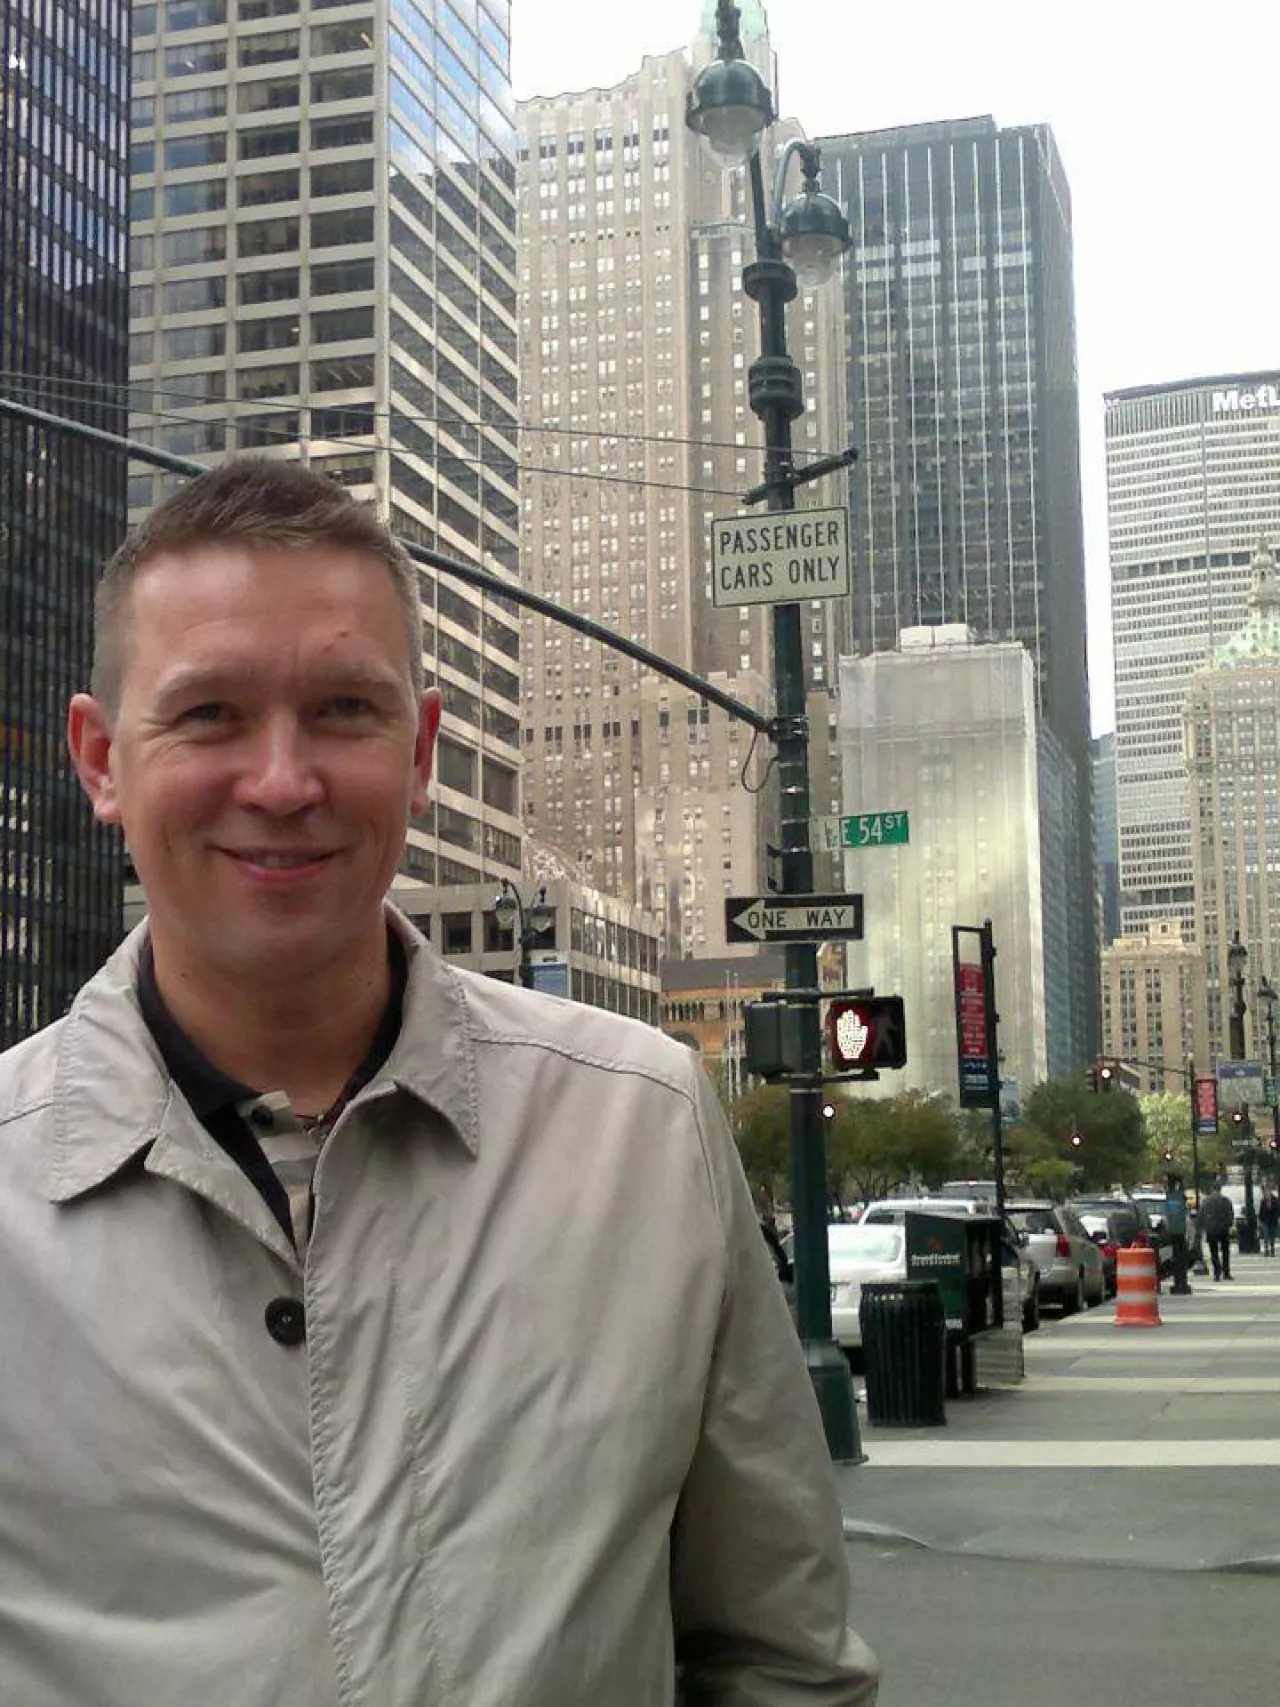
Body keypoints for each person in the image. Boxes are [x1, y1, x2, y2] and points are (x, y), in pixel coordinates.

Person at [0, 460, 878, 1707]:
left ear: (419, 752)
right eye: (209, 715)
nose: (282, 781)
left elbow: (778, 1658)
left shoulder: (640, 1130)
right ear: (101, 760)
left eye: (343, 710)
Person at [1200, 1181, 1236, 1280]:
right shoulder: (1225, 1200)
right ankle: (1226, 1272)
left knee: (1214, 1251)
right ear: (1220, 1189)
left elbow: (1202, 1215)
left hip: (1211, 1229)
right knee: (1225, 1251)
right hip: (1223, 1228)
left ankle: (1217, 1271)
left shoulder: (1206, 1201)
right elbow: (1230, 1214)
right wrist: (1229, 1225)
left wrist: (1204, 1226)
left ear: (1212, 1189)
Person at [1259, 1186, 1279, 1257]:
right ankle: (1266, 1251)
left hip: (1273, 1221)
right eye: (1265, 1192)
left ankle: (1272, 1251)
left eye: (1267, 1192)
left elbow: (1277, 1210)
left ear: (1270, 1192)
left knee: (1272, 1237)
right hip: (1265, 1221)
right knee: (1266, 1237)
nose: (1266, 1193)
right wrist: (1261, 1220)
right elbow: (1261, 1211)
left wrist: (1276, 1217)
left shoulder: (1275, 1200)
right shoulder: (1263, 1201)